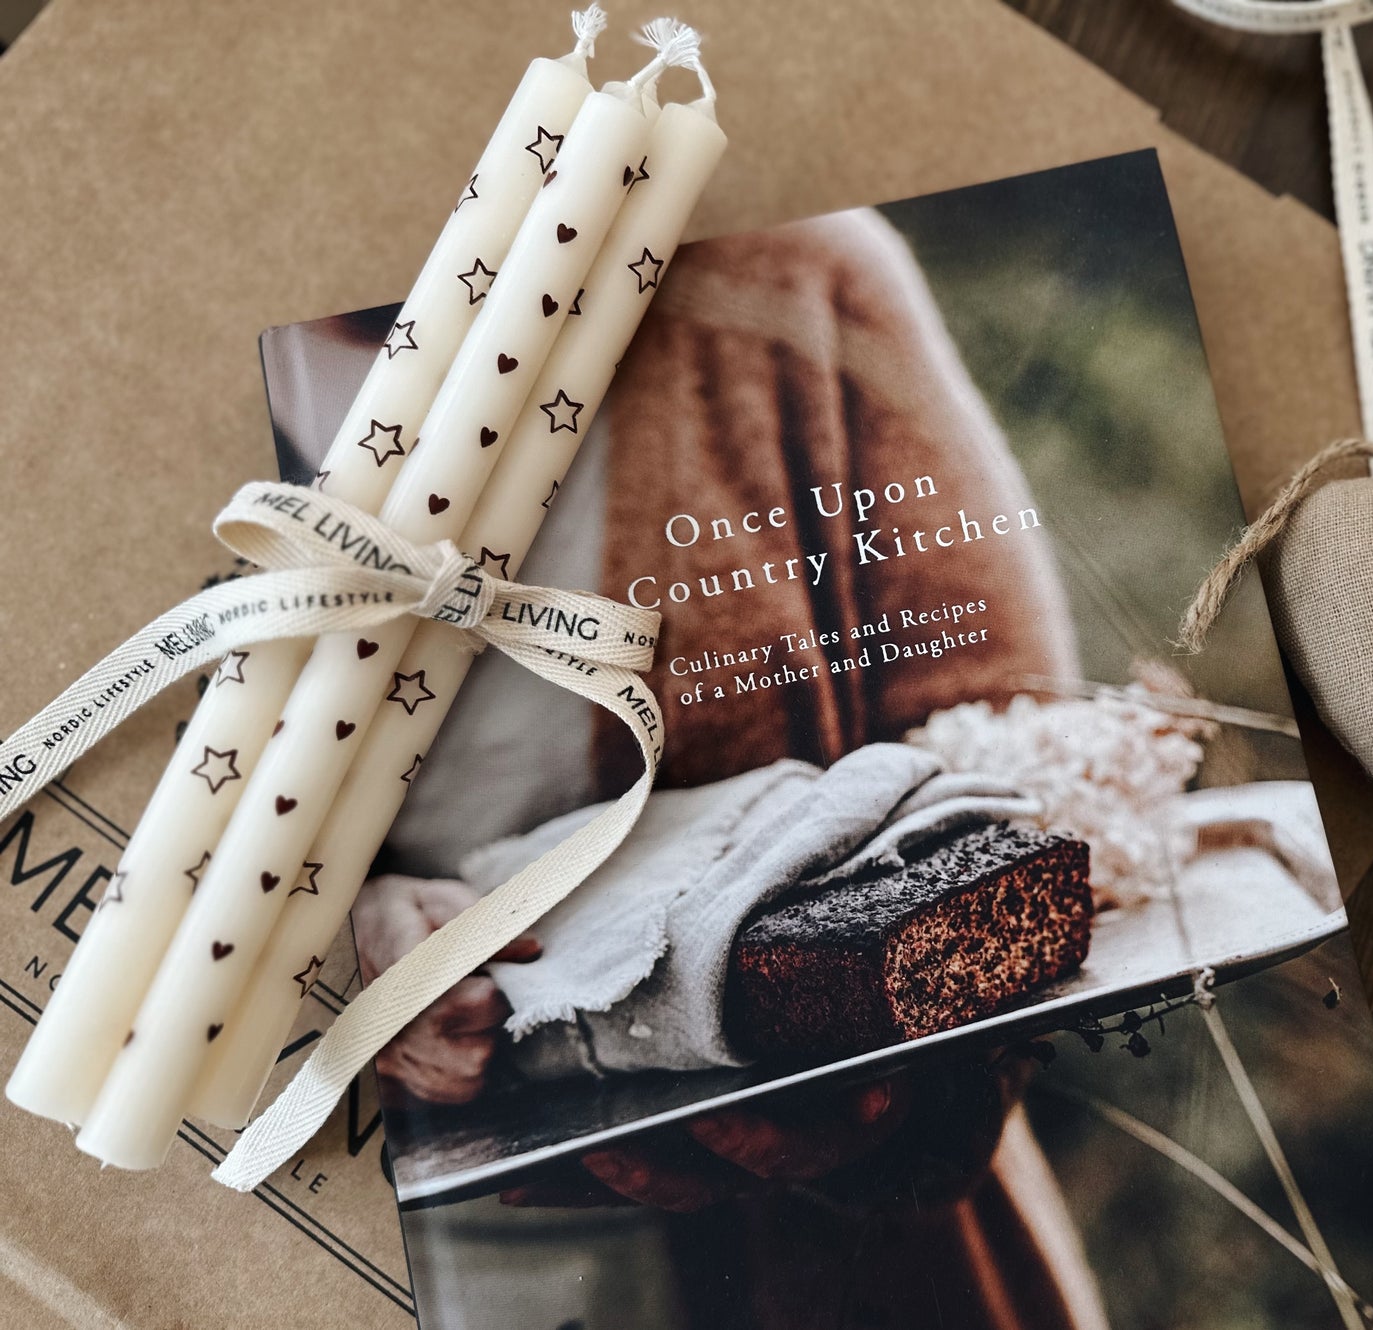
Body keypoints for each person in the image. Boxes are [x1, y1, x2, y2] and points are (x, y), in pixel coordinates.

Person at [351, 209, 1109, 1330]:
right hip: (395, 1240)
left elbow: (1030, 764)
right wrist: (339, 955)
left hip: (837, 1259)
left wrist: (883, 1089)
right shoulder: (147, 381)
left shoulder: (787, 275)